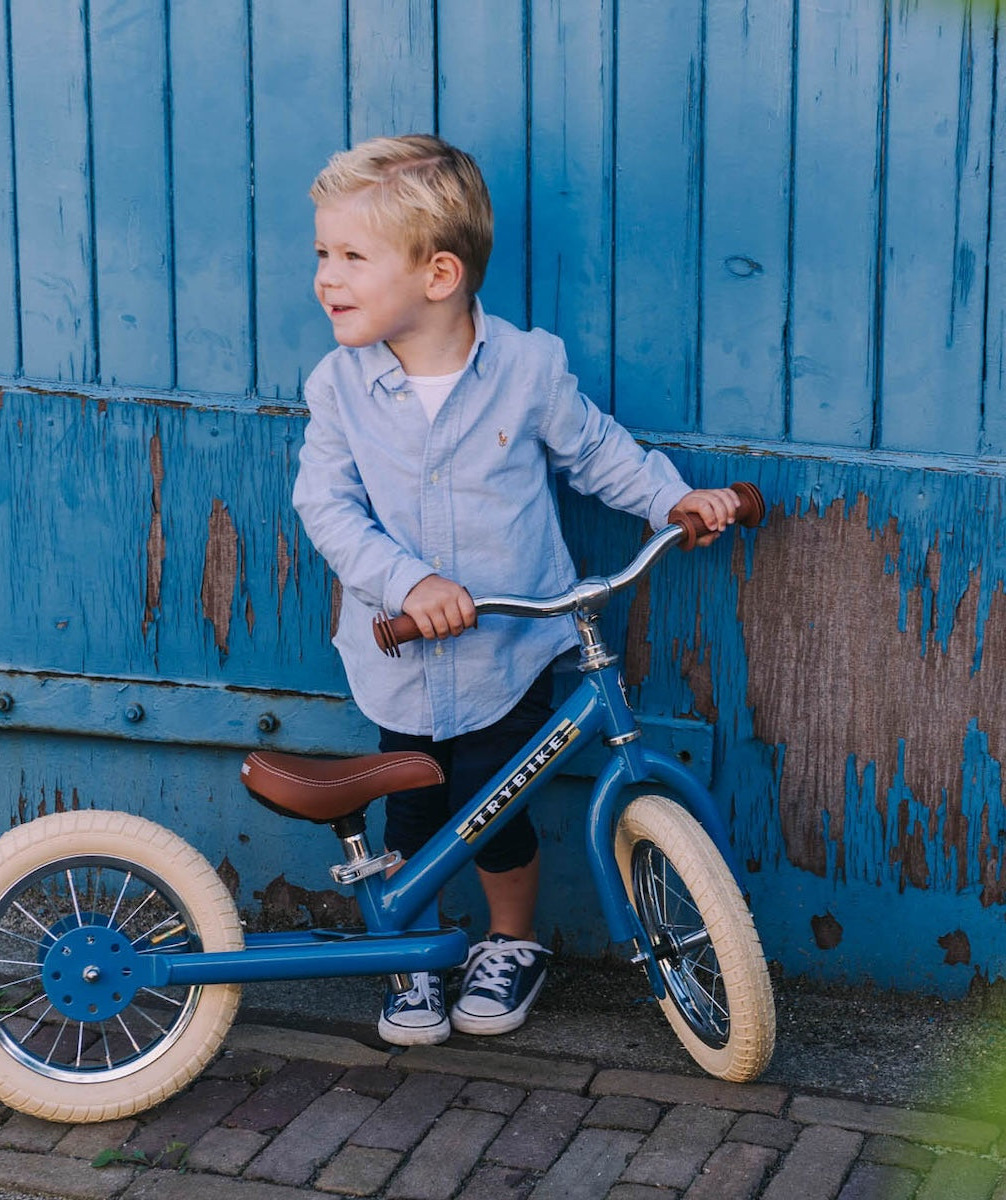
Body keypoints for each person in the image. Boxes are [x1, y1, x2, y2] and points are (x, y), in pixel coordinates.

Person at [292, 134, 739, 1046]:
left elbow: (596, 451)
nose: (326, 278)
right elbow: (325, 506)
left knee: (497, 803)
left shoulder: (527, 369)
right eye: (322, 256)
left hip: (509, 643)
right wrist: (408, 580)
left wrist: (673, 498)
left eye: (350, 257)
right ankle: (406, 951)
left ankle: (511, 941)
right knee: (415, 802)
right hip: (402, 648)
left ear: (439, 273)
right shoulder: (341, 385)